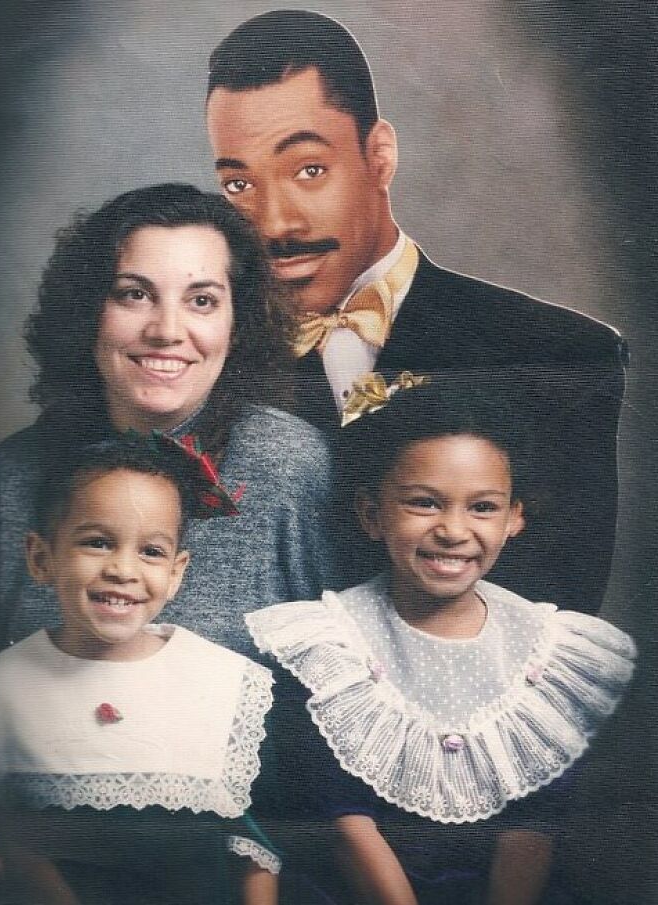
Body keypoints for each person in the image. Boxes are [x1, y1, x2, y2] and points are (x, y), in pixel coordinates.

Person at [205, 10, 628, 615]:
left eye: (309, 170)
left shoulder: (557, 353)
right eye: (238, 185)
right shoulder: (201, 363)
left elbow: (554, 618)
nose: (274, 224)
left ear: (379, 156)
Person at [245, 373, 636, 905]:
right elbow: (348, 826)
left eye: (482, 507)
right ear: (372, 513)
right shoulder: (330, 644)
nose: (453, 530)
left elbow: (529, 831)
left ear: (514, 517)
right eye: (424, 503)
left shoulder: (550, 651)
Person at [0, 181, 345, 674]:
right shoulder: (23, 465)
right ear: (88, 312)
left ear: (237, 323)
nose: (165, 330)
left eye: (201, 301)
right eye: (134, 294)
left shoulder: (288, 464)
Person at [0, 434, 278, 904]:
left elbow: (255, 847)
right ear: (41, 558)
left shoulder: (226, 683)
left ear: (176, 572)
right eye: (97, 542)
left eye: (151, 551)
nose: (123, 570)